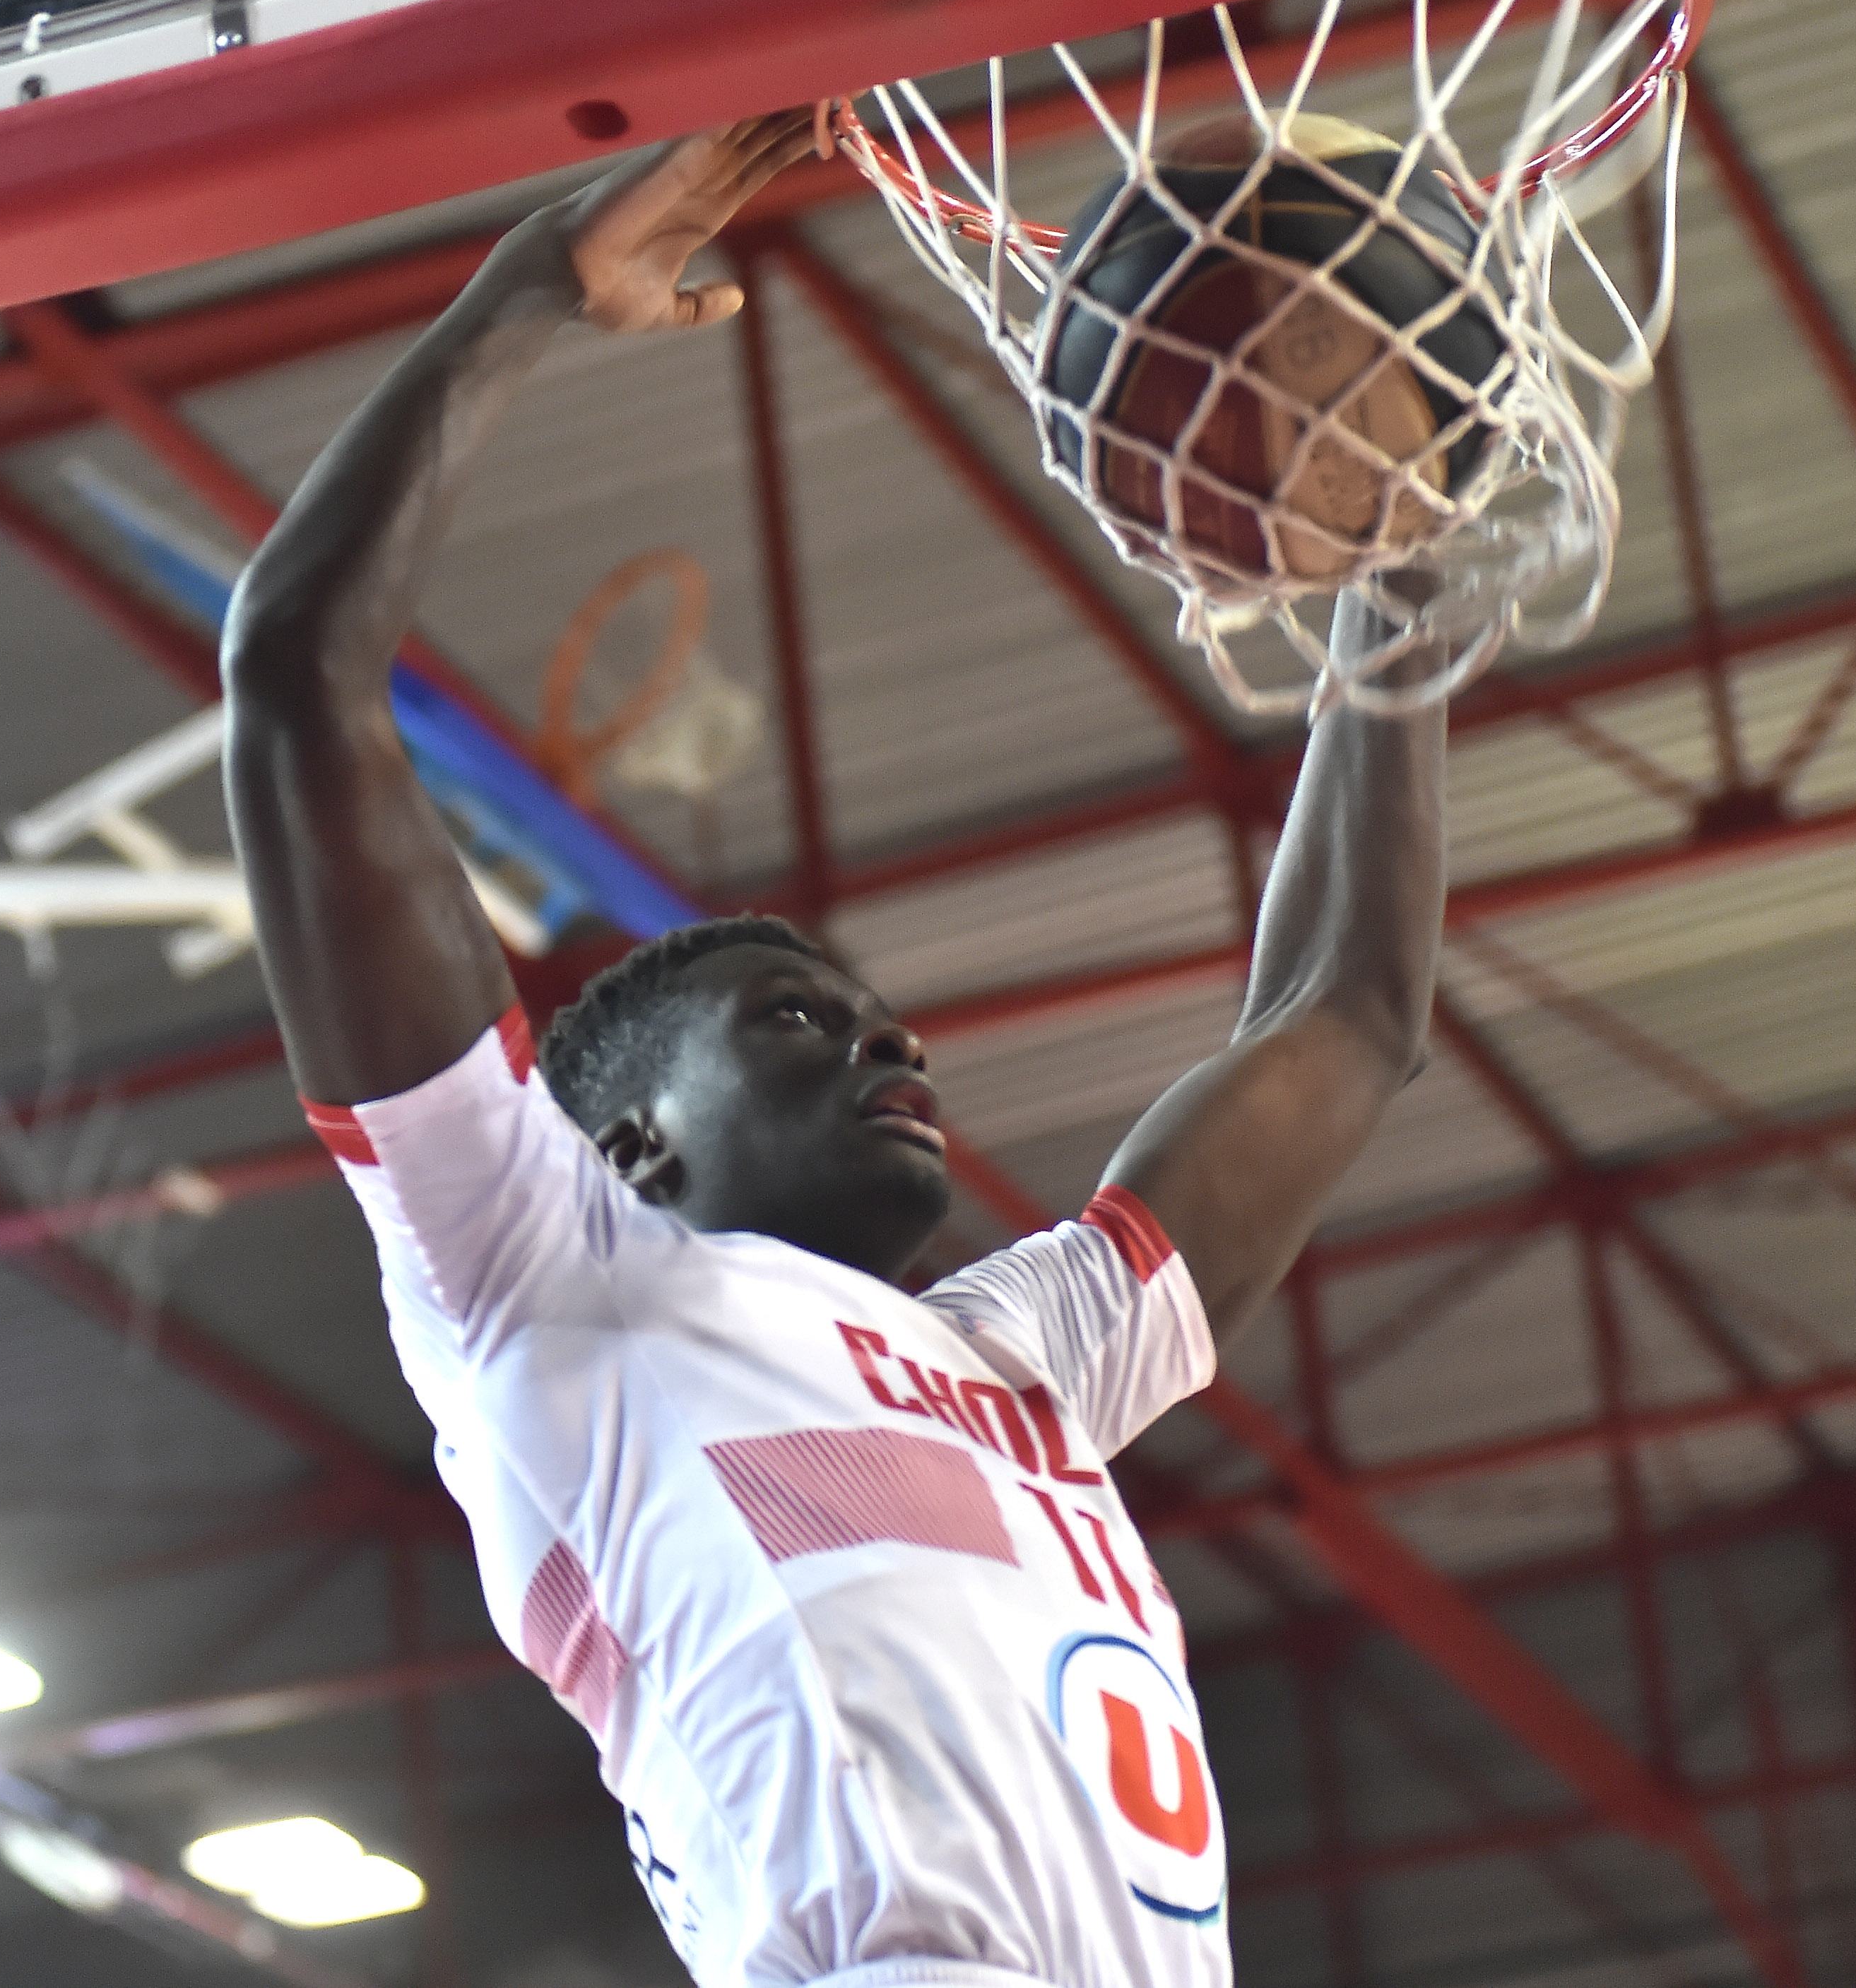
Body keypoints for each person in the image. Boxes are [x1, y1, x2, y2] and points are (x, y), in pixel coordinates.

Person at [223, 110, 1451, 1988]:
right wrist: (528, 293)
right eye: (800, 1019)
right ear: (628, 1146)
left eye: (877, 1016)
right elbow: (301, 672)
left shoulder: (1018, 1355)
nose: (893, 1042)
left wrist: (1396, 576)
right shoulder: (541, 1280)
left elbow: (1349, 1013)